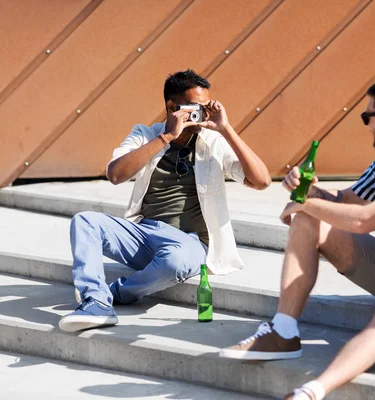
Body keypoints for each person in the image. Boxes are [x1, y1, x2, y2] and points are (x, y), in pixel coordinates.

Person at [219, 77, 375, 400]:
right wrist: (308, 191)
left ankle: (311, 392)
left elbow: (364, 221)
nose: (366, 125)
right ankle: (283, 331)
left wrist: (307, 203)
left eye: (366, 117)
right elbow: (347, 201)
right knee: (307, 217)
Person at [59, 69, 271, 332]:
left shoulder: (212, 141)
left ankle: (115, 293)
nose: (201, 114)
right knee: (85, 221)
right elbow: (115, 174)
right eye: (195, 108)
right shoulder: (146, 134)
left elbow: (261, 181)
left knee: (176, 262)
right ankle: (95, 302)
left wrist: (226, 129)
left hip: (189, 243)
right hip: (144, 233)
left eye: (206, 108)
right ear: (172, 107)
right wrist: (166, 137)